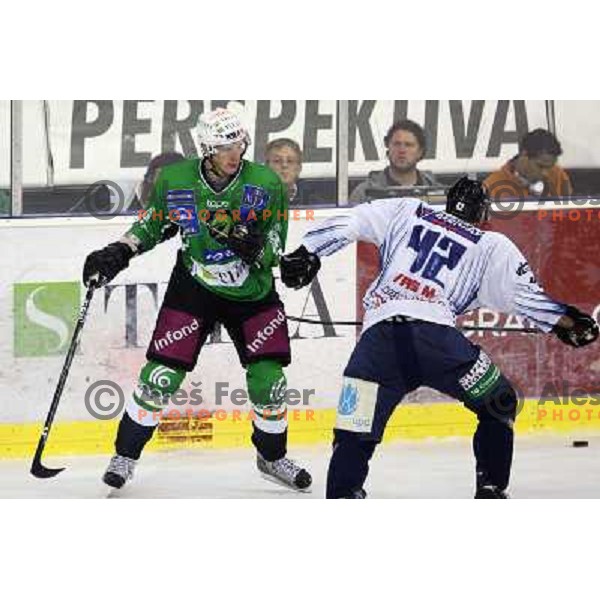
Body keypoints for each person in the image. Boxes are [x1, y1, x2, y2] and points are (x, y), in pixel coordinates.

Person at [280, 177, 598, 499]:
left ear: (446, 205)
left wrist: (308, 252)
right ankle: (490, 492)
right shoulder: (491, 243)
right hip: (436, 343)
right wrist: (569, 322)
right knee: (500, 402)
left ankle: (342, 500)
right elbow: (525, 297)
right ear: (483, 215)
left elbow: (353, 219)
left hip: (376, 347)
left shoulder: (406, 210)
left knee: (353, 432)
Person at [83, 107, 312, 492]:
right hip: (194, 287)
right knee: (160, 377)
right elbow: (154, 223)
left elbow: (276, 242)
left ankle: (272, 458)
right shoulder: (175, 180)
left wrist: (262, 251)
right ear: (206, 148)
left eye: (238, 144)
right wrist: (119, 250)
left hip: (252, 293)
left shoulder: (266, 183)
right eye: (223, 147)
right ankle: (125, 455)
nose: (233, 154)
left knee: (269, 381)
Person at [349, 119, 440, 204]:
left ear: (420, 152)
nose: (402, 150)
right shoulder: (364, 194)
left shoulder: (439, 192)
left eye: (408, 145)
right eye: (396, 144)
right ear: (388, 147)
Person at [484, 128, 573, 200]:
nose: (545, 173)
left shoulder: (558, 174)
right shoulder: (492, 186)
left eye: (550, 167)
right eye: (540, 166)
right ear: (524, 155)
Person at [264, 138, 304, 203]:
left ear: (299, 168)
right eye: (277, 161)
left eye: (290, 161)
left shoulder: (315, 202)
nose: (284, 165)